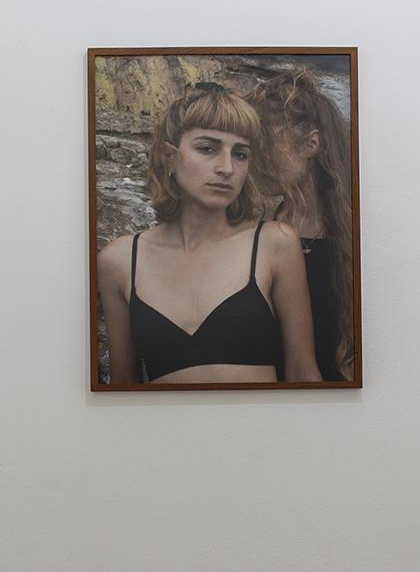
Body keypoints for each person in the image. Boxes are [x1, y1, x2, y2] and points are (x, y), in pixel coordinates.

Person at [97, 80, 320, 385]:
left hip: (262, 417)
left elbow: (303, 373)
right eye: (207, 149)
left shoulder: (274, 243)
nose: (226, 168)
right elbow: (123, 386)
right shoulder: (120, 261)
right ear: (169, 158)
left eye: (240, 154)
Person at [247, 66, 356, 383]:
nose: (251, 158)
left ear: (311, 144)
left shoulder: (357, 236)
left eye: (264, 142)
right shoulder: (256, 235)